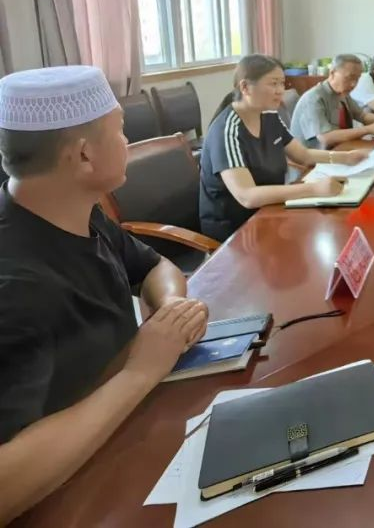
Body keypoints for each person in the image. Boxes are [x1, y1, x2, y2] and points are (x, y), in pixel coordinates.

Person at [0, 66, 209, 522]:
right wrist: (139, 372)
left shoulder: (73, 209)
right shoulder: (15, 285)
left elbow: (154, 266)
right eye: (120, 132)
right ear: (83, 155)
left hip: (124, 440)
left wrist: (170, 310)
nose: (128, 143)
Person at [200, 55, 373, 241]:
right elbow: (247, 196)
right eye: (273, 84)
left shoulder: (269, 116)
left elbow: (303, 155)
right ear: (245, 87)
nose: (280, 90)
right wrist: (314, 189)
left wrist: (345, 157)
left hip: (270, 210)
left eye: (282, 83)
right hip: (237, 231)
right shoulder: (227, 130)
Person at [289, 54, 374, 147]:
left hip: (340, 150)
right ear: (332, 73)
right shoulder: (313, 98)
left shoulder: (342, 93)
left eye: (357, 79)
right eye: (349, 77)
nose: (353, 84)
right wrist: (369, 129)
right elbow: (325, 138)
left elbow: (362, 116)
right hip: (314, 160)